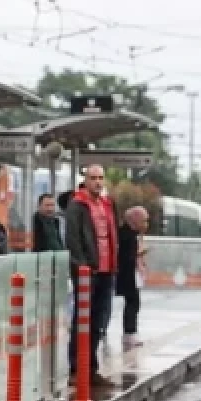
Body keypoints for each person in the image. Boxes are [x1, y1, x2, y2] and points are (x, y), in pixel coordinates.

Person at [65, 164, 117, 388]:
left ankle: (91, 366)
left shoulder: (106, 204)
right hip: (88, 272)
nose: (98, 182)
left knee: (99, 320)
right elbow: (73, 239)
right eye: (93, 177)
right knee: (83, 320)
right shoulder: (77, 205)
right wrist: (82, 266)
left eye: (101, 177)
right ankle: (77, 368)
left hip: (107, 270)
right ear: (85, 180)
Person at [117, 206, 150, 349]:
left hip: (131, 273)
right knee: (132, 302)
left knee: (134, 302)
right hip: (126, 274)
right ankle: (129, 332)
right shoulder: (126, 235)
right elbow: (126, 257)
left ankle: (131, 332)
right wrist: (139, 254)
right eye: (143, 220)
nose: (146, 224)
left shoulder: (132, 234)